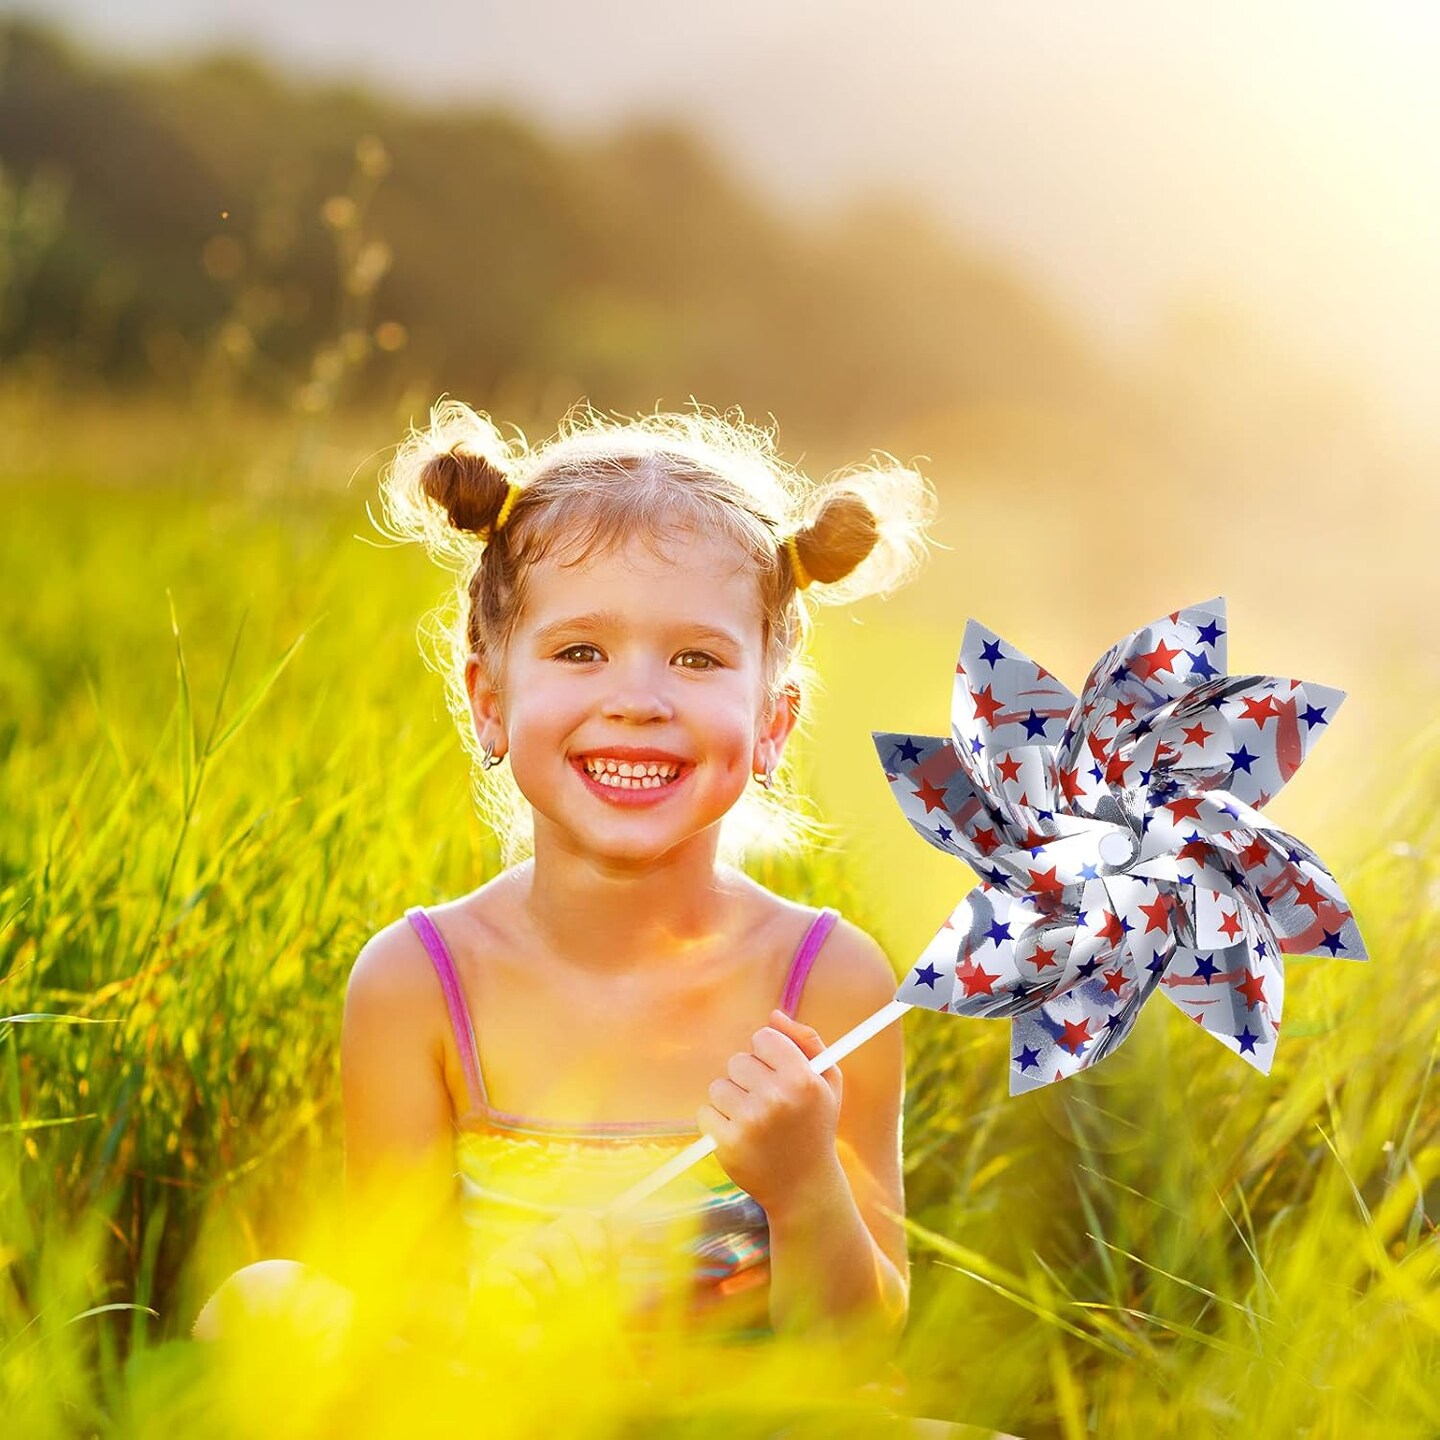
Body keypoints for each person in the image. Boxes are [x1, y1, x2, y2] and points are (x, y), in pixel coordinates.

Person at [194, 399, 933, 1376]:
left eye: (697, 658)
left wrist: (804, 1188)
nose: (637, 699)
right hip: (499, 1410)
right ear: (489, 701)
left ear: (771, 724)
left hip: (746, 1422)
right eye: (581, 651)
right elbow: (400, 1325)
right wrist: (501, 1320)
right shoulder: (417, 983)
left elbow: (855, 1348)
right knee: (260, 1305)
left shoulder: (831, 983)